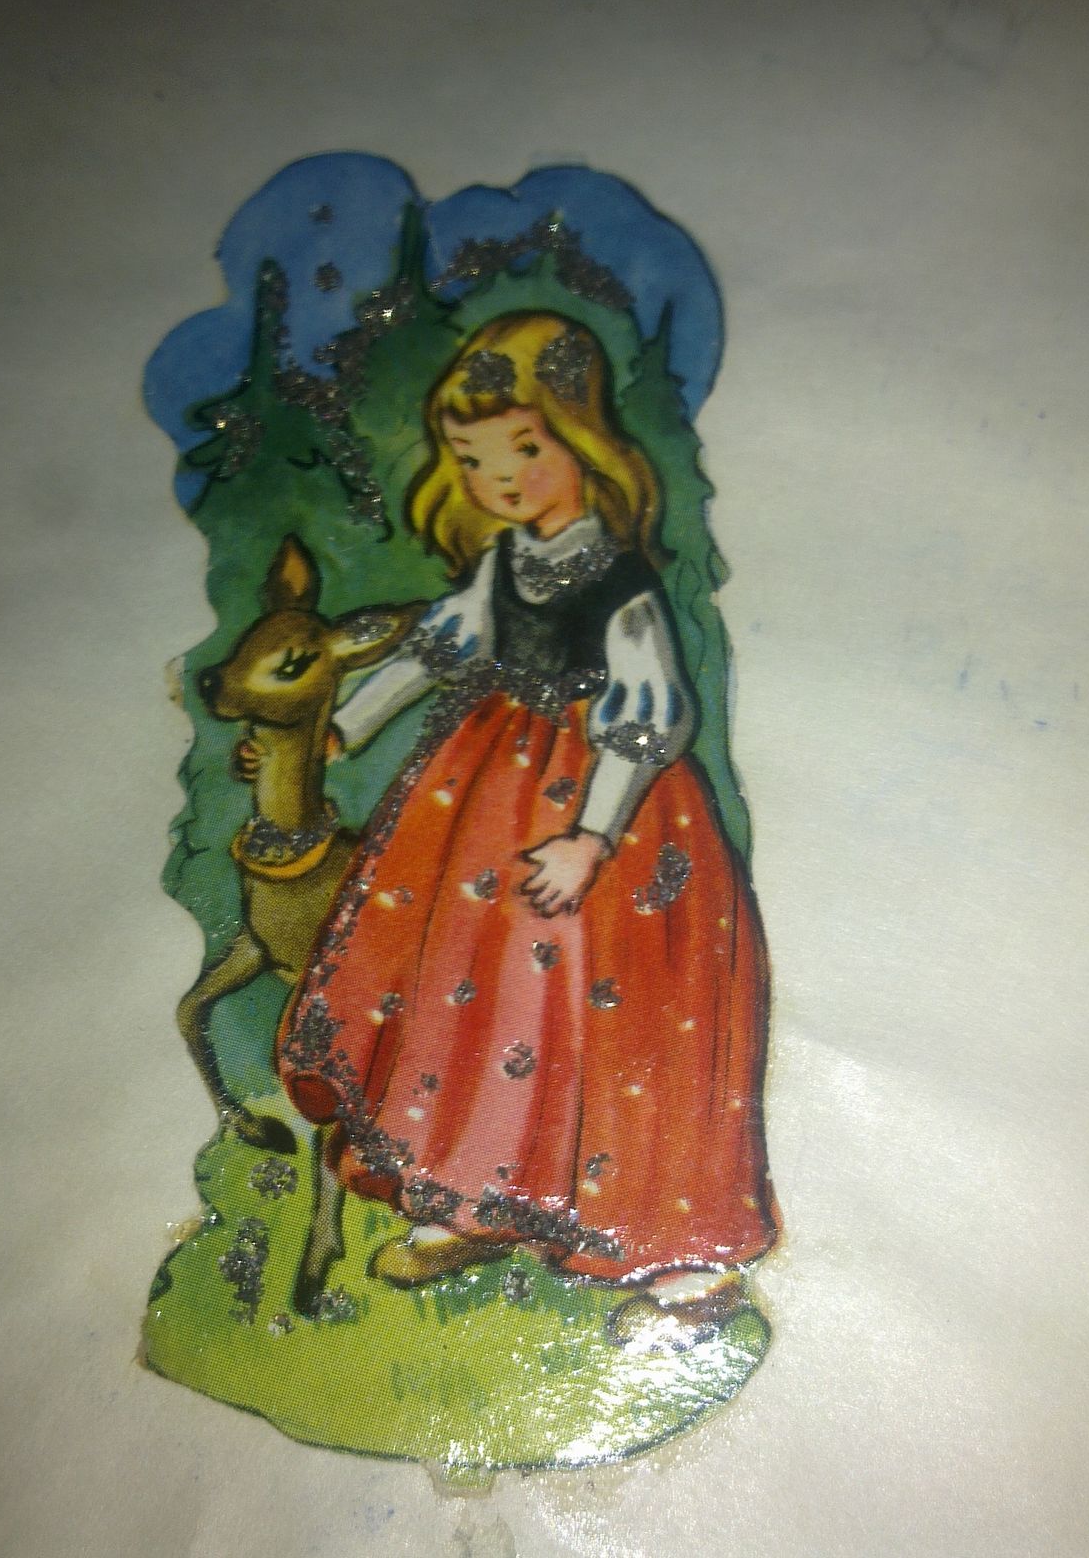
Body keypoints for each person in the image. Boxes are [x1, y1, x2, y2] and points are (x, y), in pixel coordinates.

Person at [276, 311, 779, 1342]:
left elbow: (650, 716)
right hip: (489, 795)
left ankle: (672, 1258)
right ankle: (475, 1197)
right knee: (478, 998)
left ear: (582, 442)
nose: (498, 478)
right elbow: (439, 652)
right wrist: (342, 730)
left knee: (605, 1017)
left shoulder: (622, 585)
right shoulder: (504, 560)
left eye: (524, 449)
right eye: (473, 459)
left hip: (615, 815)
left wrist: (591, 836)